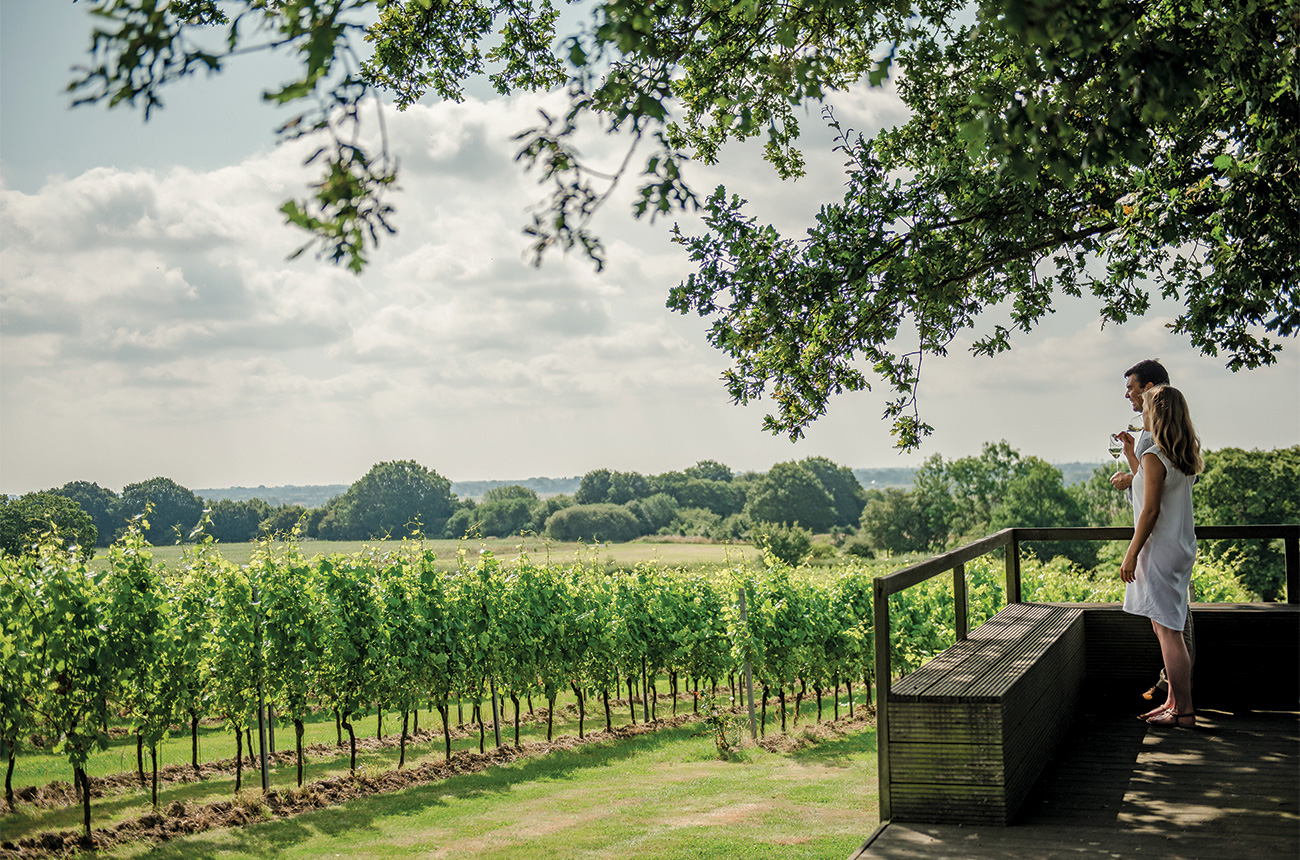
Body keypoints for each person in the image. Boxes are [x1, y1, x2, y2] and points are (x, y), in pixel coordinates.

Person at [1116, 384, 1203, 728]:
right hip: (1178, 548)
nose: (1143, 414)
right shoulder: (1179, 457)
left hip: (1160, 551)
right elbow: (1150, 486)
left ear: (1158, 414)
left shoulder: (1156, 456)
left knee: (1169, 631)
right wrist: (1130, 455)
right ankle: (1173, 702)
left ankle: (1184, 711)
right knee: (1164, 626)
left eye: (1147, 408)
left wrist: (1131, 554)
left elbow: (1150, 511)